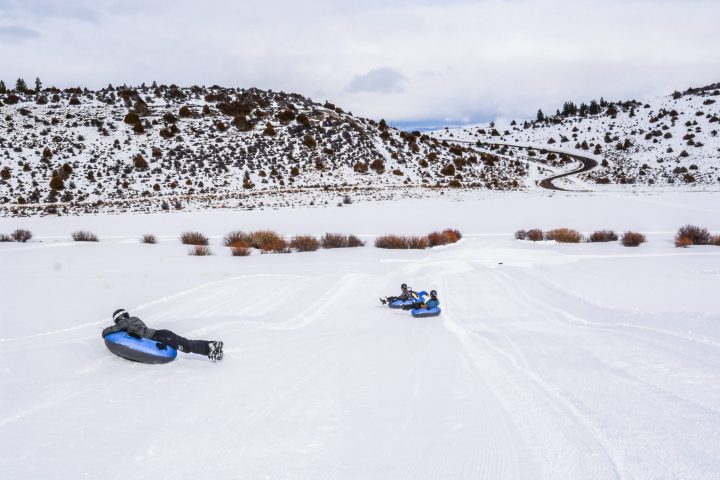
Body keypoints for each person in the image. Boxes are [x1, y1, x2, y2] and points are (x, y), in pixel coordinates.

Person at [102, 309, 224, 362]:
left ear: (119, 318)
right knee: (186, 345)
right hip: (161, 335)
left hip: (162, 336)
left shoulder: (126, 322)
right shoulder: (134, 319)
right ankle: (212, 348)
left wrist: (105, 332)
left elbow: (112, 330)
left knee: (186, 346)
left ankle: (211, 347)